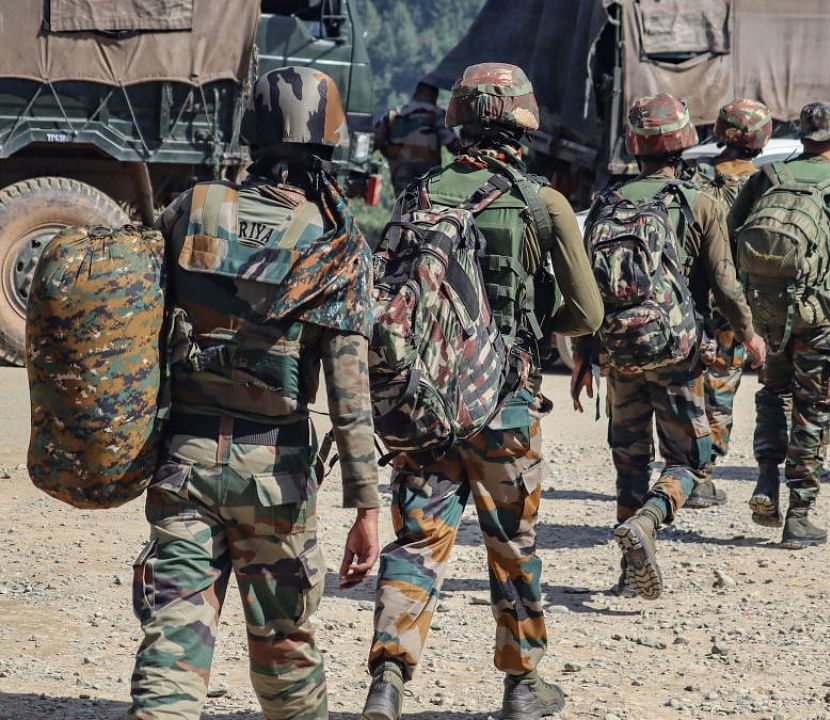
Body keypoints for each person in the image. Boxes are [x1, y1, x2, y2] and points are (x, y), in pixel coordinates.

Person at [127, 66, 379, 720]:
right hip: (277, 478)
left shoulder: (191, 209)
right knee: (285, 645)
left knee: (173, 642)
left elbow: (136, 323)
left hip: (184, 464)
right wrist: (368, 506)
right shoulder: (334, 241)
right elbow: (350, 392)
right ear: (328, 142)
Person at [361, 62, 603, 720]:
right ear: (522, 123)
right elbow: (587, 314)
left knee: (417, 540)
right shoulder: (541, 202)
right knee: (511, 542)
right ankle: (523, 686)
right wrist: (526, 326)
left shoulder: (417, 196)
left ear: (459, 122)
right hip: (506, 403)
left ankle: (387, 680)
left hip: (426, 405)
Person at [574, 93, 766, 599]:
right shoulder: (698, 201)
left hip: (618, 351)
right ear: (684, 141)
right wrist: (749, 335)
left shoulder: (606, 203)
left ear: (635, 145)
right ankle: (650, 523)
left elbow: (584, 288)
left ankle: (626, 571)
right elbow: (725, 283)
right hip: (678, 352)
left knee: (629, 459)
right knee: (688, 460)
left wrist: (582, 355)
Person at [728, 101, 830, 548]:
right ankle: (799, 515)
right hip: (819, 316)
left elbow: (733, 229)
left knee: (772, 392)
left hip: (769, 312)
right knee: (814, 405)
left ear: (803, 138)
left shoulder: (768, 177)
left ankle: (765, 481)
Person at [683, 98, 773, 509]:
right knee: (721, 388)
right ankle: (702, 474)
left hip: (687, 303)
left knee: (689, 385)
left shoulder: (693, 179)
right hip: (734, 306)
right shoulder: (764, 185)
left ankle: (681, 466)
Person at [373, 80, 461, 193]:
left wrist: (389, 154)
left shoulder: (394, 115)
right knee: (426, 207)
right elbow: (452, 144)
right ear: (433, 95)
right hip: (428, 176)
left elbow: (373, 142)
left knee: (404, 206)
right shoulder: (436, 114)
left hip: (401, 174)